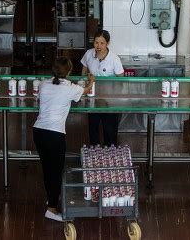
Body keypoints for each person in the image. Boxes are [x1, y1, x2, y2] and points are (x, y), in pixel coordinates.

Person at [33, 56, 95, 222]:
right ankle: (51, 209)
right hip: (55, 134)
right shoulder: (70, 88)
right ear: (68, 71)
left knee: (47, 169)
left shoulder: (44, 84)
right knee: (55, 171)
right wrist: (91, 80)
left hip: (38, 131)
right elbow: (86, 91)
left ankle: (51, 199)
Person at [81, 30, 124, 146]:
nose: (98, 46)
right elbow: (83, 73)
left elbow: (121, 80)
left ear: (107, 43)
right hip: (93, 98)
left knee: (109, 130)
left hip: (109, 101)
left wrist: (114, 97)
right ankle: (95, 154)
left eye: (102, 43)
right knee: (93, 128)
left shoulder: (114, 59)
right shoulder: (89, 54)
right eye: (96, 42)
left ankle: (110, 154)